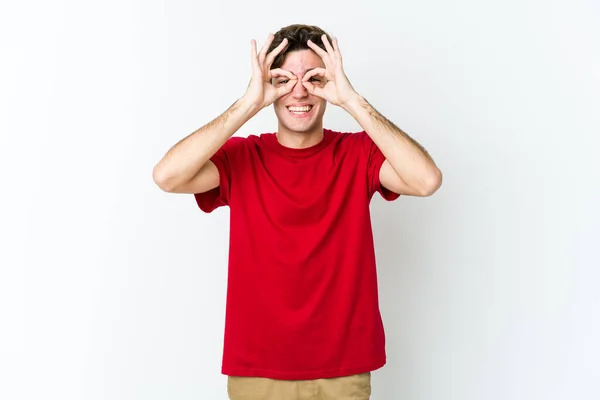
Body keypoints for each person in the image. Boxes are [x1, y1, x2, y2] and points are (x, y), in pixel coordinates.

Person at [153, 24, 442, 400]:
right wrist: (247, 104)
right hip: (258, 368)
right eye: (285, 79)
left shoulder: (358, 154)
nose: (300, 91)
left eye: (315, 78)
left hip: (343, 367)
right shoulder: (243, 156)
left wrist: (352, 100)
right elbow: (167, 176)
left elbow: (426, 180)